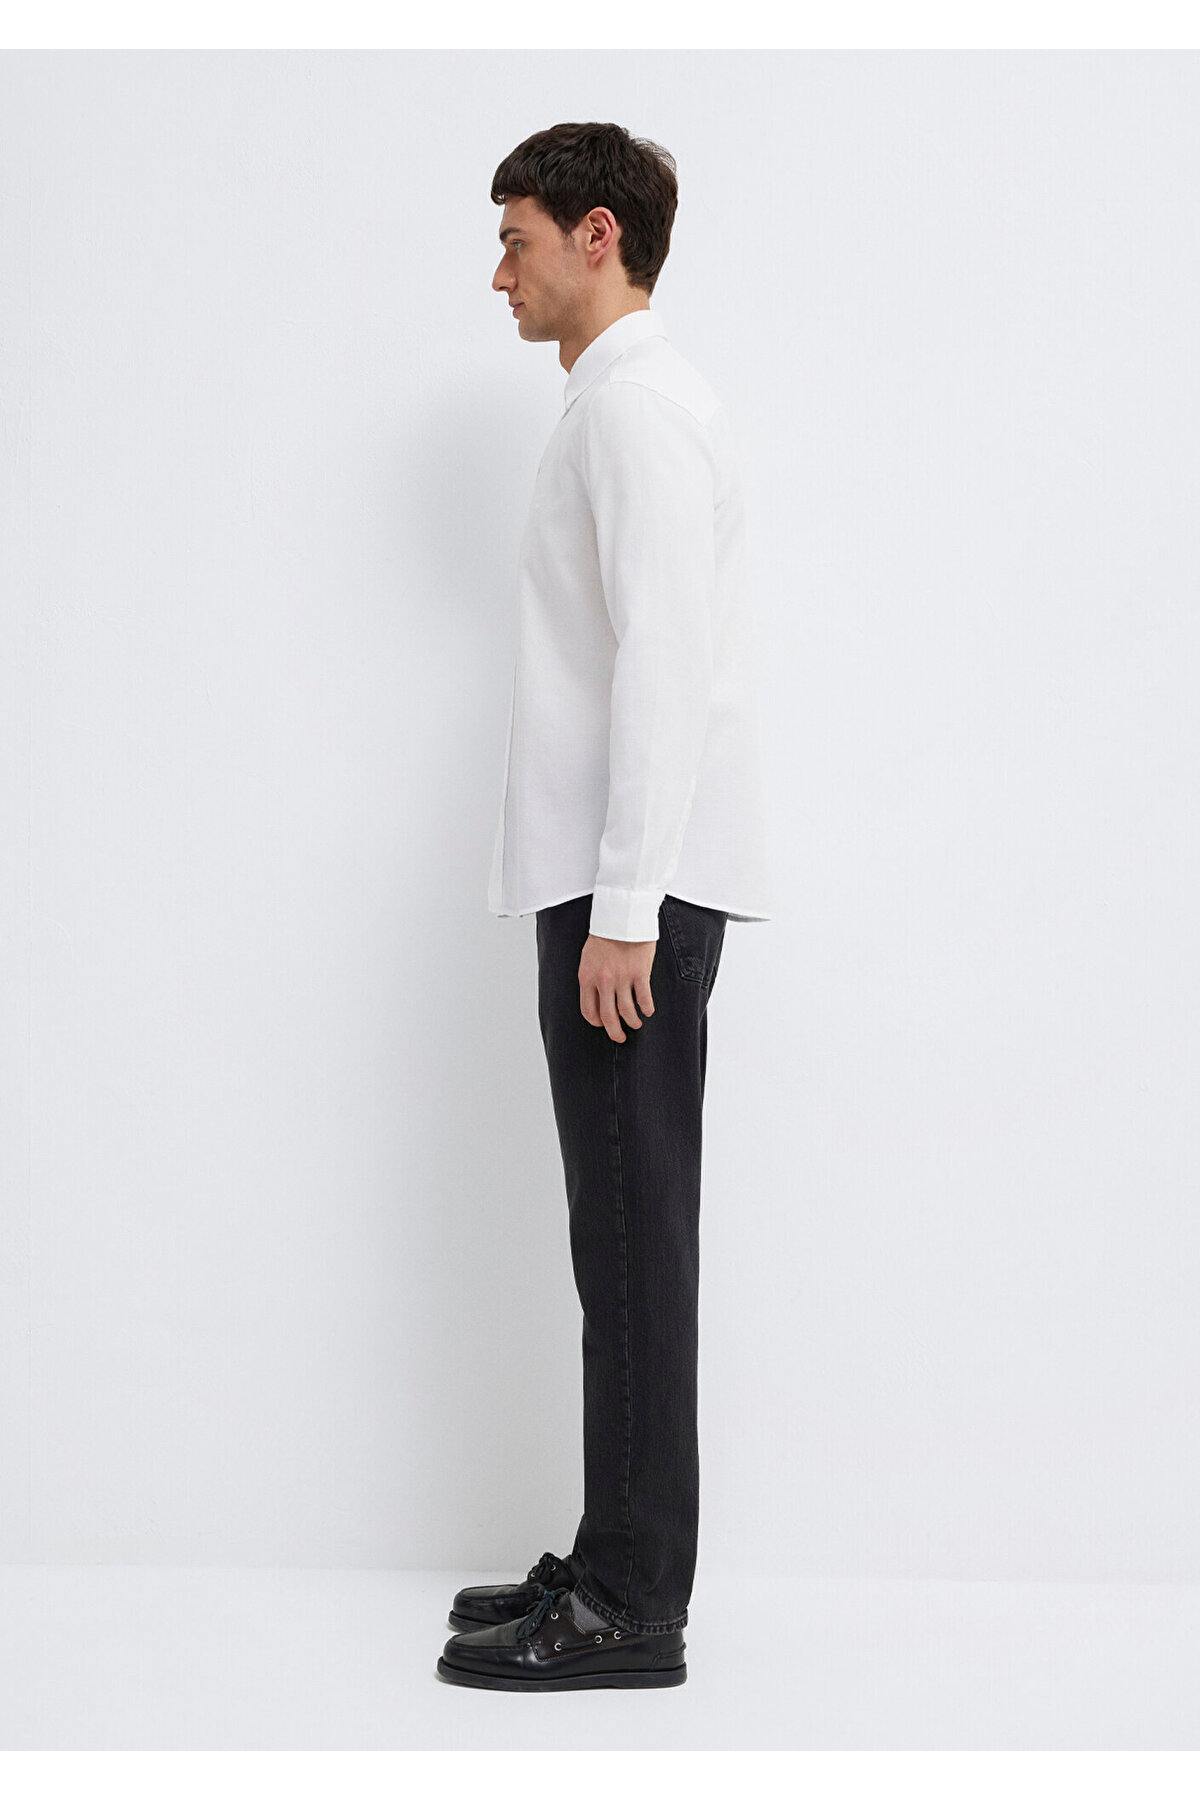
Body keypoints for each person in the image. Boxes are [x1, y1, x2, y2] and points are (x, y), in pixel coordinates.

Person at [436, 121, 772, 1693]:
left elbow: (668, 661)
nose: (498, 273)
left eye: (516, 240)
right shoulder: (617, 404)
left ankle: (634, 1605)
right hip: (612, 883)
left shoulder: (638, 406)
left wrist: (626, 905)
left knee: (632, 1244)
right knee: (619, 1239)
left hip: (628, 895)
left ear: (596, 236)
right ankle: (615, 1554)